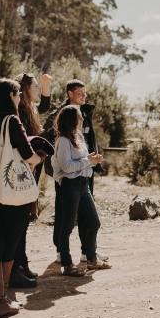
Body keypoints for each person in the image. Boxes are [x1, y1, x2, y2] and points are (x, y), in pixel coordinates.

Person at [0, 78, 44, 318]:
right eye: (18, 95)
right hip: (13, 192)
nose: (20, 99)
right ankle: (1, 299)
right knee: (10, 243)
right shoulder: (13, 121)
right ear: (11, 96)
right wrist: (39, 155)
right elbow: (29, 156)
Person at [44, 79, 108, 263]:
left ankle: (88, 251)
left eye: (85, 93)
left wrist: (91, 160)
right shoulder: (58, 115)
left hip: (86, 170)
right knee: (64, 214)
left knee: (87, 214)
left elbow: (89, 138)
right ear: (70, 93)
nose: (84, 96)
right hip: (66, 176)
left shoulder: (86, 112)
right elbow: (49, 140)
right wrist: (55, 166)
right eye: (80, 93)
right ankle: (61, 252)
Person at [51, 105, 111, 276]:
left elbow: (82, 161)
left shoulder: (78, 136)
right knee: (68, 226)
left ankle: (91, 259)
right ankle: (68, 265)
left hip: (83, 184)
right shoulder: (62, 141)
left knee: (94, 222)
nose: (82, 119)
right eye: (79, 117)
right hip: (70, 185)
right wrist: (88, 160)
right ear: (72, 119)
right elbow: (67, 167)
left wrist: (92, 160)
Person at [8, 72, 52, 288]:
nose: (37, 90)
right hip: (25, 171)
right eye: (35, 86)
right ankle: (15, 267)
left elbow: (44, 106)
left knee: (24, 220)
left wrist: (45, 85)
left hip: (31, 169)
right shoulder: (22, 113)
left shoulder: (29, 109)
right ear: (25, 89)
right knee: (20, 220)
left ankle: (21, 263)